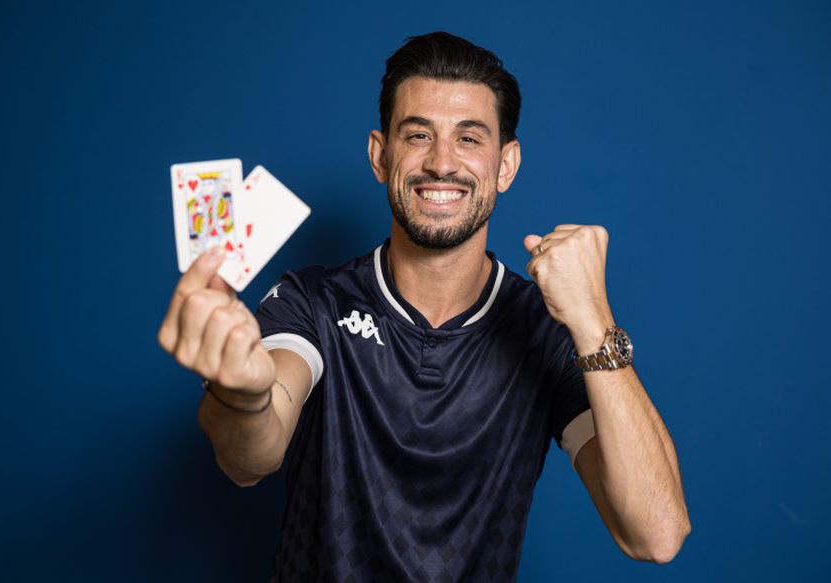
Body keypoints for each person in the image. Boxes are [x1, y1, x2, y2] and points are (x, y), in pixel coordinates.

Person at [158, 31, 690, 581]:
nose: (441, 163)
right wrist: (244, 394)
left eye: (469, 138)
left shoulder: (547, 331)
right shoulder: (312, 302)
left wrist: (594, 320)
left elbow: (656, 534)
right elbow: (249, 460)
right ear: (380, 155)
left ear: (506, 165)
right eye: (418, 135)